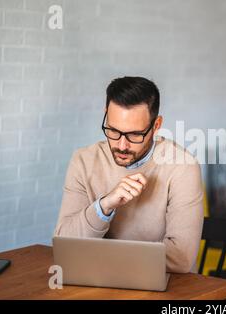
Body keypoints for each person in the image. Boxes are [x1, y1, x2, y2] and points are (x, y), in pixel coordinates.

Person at [54, 76, 204, 273]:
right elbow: (64, 243)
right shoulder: (83, 160)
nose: (122, 145)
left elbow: (180, 259)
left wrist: (97, 253)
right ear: (106, 115)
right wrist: (105, 205)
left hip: (167, 289)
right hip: (98, 283)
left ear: (156, 125)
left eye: (135, 135)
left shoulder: (182, 167)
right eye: (113, 130)